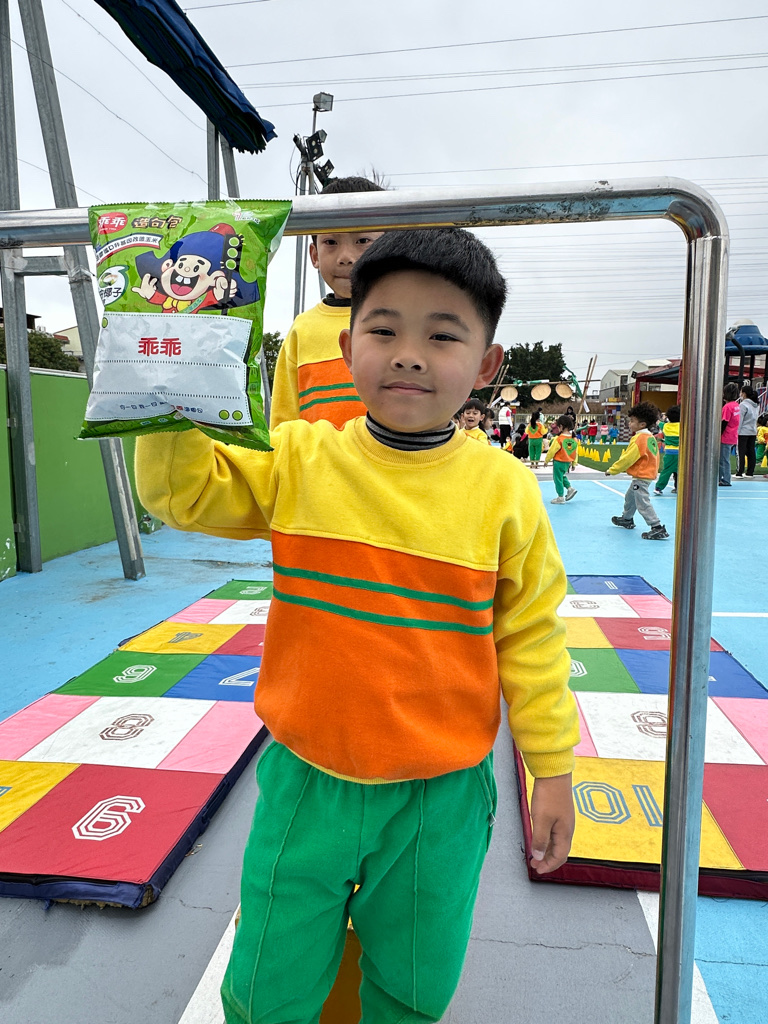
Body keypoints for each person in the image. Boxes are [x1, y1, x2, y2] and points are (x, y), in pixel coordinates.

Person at [135, 227, 579, 1024]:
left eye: (441, 336)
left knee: (414, 983)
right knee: (267, 986)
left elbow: (533, 637)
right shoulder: (300, 457)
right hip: (307, 780)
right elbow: (185, 494)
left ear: (486, 366)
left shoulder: (505, 491)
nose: (408, 355)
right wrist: (169, 376)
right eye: (384, 330)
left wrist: (552, 768)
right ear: (347, 349)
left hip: (441, 796)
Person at [270, 176, 385, 429]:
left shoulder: (407, 319)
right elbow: (283, 424)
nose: (346, 257)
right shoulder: (303, 329)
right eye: (331, 242)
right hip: (317, 457)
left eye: (363, 241)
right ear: (314, 255)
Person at [606, 401, 668, 539]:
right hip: (647, 474)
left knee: (642, 502)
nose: (629, 424)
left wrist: (613, 470)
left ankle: (656, 526)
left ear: (642, 424)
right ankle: (627, 518)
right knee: (630, 497)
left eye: (632, 421)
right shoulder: (650, 437)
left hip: (642, 476)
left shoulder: (639, 439)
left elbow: (628, 458)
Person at [544, 414, 578, 504]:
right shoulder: (574, 439)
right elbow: (575, 452)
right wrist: (574, 463)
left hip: (559, 462)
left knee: (557, 479)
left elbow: (552, 451)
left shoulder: (559, 439)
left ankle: (560, 496)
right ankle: (570, 488)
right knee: (561, 476)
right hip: (567, 462)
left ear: (561, 426)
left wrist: (547, 460)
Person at [655, 404, 680, 496]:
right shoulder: (683, 426)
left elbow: (658, 422)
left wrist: (661, 417)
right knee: (681, 472)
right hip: (681, 453)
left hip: (669, 453)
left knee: (666, 471)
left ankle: (658, 488)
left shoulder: (665, 426)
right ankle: (679, 487)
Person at [736, 385, 760, 479]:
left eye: (741, 392)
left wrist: (736, 432)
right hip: (752, 430)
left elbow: (740, 420)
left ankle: (739, 472)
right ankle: (750, 472)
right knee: (751, 452)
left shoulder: (743, 405)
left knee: (741, 452)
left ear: (744, 393)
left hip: (743, 431)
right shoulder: (756, 405)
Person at [719, 382, 740, 487]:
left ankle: (726, 479)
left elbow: (724, 422)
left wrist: (718, 434)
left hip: (725, 436)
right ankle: (721, 477)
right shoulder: (736, 406)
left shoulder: (727, 407)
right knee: (724, 458)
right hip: (733, 435)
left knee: (723, 459)